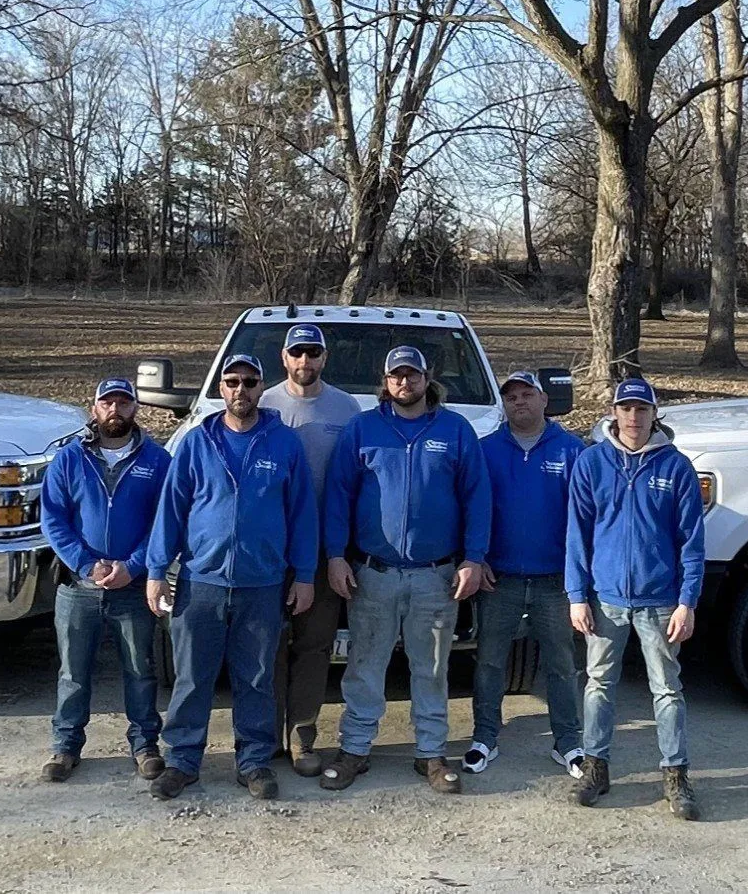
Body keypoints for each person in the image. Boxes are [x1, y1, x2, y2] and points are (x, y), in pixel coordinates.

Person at [143, 353, 318, 801]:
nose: (241, 389)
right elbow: (171, 508)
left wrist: (305, 575)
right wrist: (157, 570)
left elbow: (302, 515)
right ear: (221, 389)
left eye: (250, 381)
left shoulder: (284, 444)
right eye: (232, 381)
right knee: (192, 676)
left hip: (262, 583)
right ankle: (183, 760)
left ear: (263, 387)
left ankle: (254, 760)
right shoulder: (198, 442)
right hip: (202, 580)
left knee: (256, 677)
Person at [320, 345, 493, 795]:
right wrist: (335, 555)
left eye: (412, 375)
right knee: (364, 665)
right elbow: (337, 495)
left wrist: (473, 558)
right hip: (373, 573)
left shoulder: (455, 431)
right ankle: (355, 749)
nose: (404, 383)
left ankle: (431, 753)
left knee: (431, 667)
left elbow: (477, 498)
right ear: (386, 381)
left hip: (435, 575)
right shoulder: (362, 429)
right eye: (396, 376)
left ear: (425, 377)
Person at [565, 377, 705, 819]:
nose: (632, 417)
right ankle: (596, 766)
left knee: (666, 689)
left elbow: (692, 542)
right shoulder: (591, 464)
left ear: (653, 414)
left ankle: (676, 775)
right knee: (599, 685)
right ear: (612, 412)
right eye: (624, 408)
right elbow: (577, 534)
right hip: (605, 599)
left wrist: (688, 600)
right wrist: (576, 595)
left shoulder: (676, 467)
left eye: (641, 409)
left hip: (660, 598)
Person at [37, 377, 172, 784]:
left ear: (136, 408)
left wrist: (133, 565)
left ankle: (145, 744)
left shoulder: (157, 460)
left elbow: (164, 523)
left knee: (140, 669)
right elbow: (54, 519)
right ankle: (65, 746)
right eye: (107, 402)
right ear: (94, 409)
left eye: (124, 402)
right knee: (73, 673)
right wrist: (86, 564)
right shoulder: (69, 459)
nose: (116, 410)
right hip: (79, 588)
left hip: (133, 586)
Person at [464, 370, 586, 779]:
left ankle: (568, 741)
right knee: (490, 662)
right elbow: (475, 508)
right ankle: (484, 737)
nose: (519, 402)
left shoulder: (571, 450)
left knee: (561, 664)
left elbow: (583, 519)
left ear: (544, 400)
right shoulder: (486, 451)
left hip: (555, 580)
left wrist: (578, 576)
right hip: (500, 579)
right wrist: (476, 557)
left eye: (527, 394)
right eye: (511, 396)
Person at [260, 323, 360, 777]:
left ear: (325, 358)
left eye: (313, 354)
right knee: (267, 646)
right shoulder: (261, 404)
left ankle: (303, 736)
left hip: (322, 551)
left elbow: (353, 483)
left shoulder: (347, 408)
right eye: (297, 354)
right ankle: (265, 736)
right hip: (267, 551)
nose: (305, 363)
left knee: (314, 647)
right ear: (284, 358)